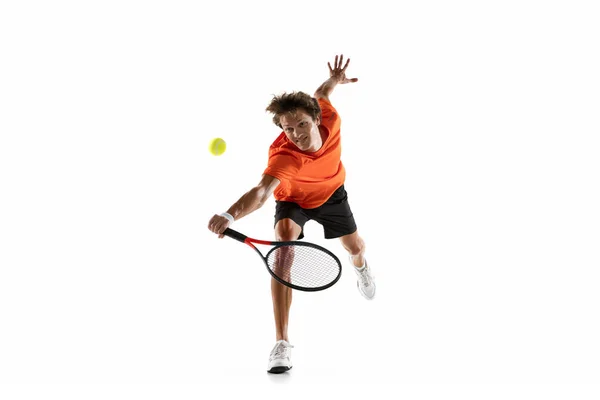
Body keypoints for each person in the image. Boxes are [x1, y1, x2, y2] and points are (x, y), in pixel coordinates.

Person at [207, 54, 375, 374]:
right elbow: (260, 193)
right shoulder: (285, 157)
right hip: (293, 200)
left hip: (331, 194)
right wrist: (229, 215)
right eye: (288, 128)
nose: (297, 133)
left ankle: (363, 268)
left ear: (315, 118)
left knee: (355, 247)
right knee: (283, 248)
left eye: (301, 124)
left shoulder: (330, 115)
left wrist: (335, 79)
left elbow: (323, 92)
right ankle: (281, 342)